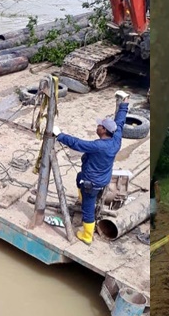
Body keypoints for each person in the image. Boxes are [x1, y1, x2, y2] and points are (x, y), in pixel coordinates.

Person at [52, 91, 131, 245]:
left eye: (99, 126)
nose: (97, 126)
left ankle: (87, 235)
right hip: (102, 178)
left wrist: (59, 135)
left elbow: (77, 143)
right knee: (79, 176)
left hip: (92, 182)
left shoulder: (98, 146)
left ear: (104, 131)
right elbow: (120, 122)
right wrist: (124, 105)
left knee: (88, 210)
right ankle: (83, 197)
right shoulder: (116, 139)